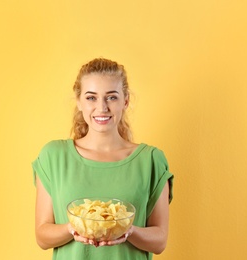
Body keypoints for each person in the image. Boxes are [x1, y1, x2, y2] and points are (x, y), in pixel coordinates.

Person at [32, 58, 174, 260]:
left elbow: (160, 241)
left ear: (125, 101)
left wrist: (128, 230)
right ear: (79, 101)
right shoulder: (53, 156)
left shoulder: (151, 160)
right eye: (91, 98)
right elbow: (42, 236)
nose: (102, 107)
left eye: (111, 97)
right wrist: (74, 228)